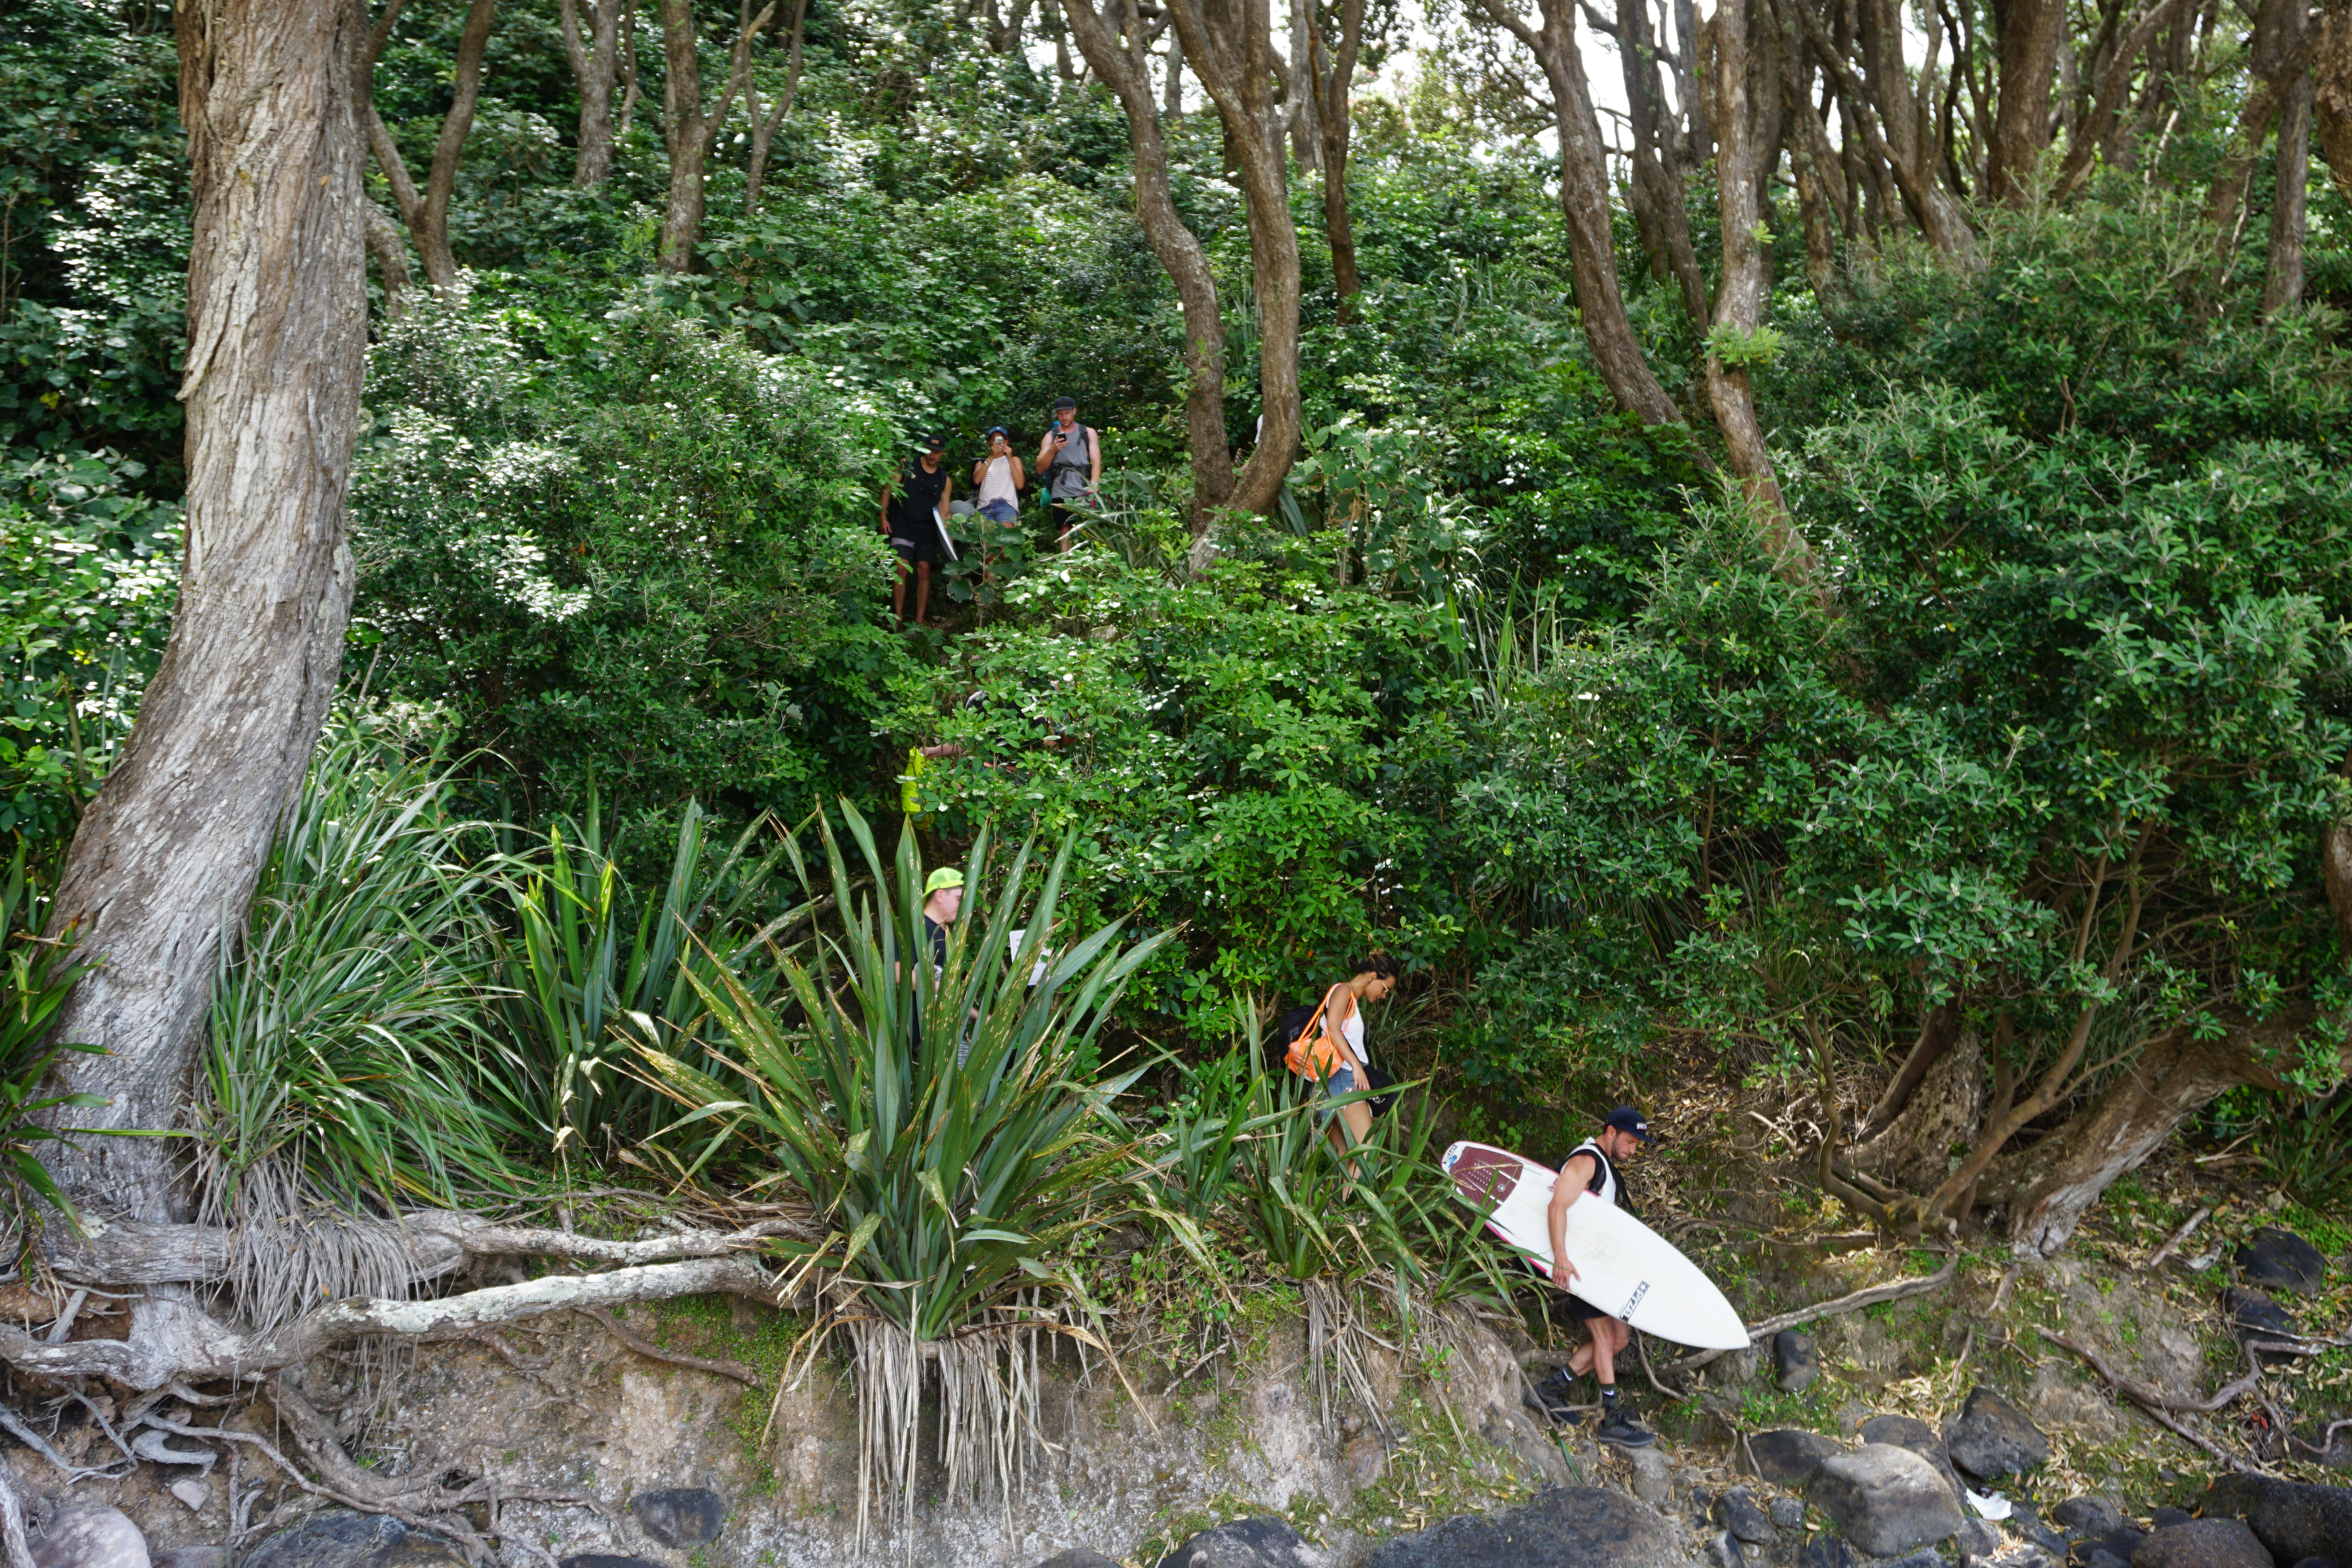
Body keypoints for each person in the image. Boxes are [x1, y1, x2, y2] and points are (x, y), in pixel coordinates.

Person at [1526, 1106, 1658, 1449]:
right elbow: (1557, 1207)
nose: (1632, 1151)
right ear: (1611, 1132)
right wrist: (1561, 1259)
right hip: (1578, 1268)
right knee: (1603, 1337)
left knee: (1619, 1340)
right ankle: (1611, 1419)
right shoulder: (1588, 1161)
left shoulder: (1605, 1167)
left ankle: (1550, 1390)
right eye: (1630, 1142)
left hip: (1598, 1270)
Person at [1282, 956, 1400, 1166]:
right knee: (1368, 1153)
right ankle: (1353, 1199)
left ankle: (1340, 1199)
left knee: (1345, 1157)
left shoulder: (1351, 1000)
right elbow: (1333, 1029)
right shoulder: (1343, 991)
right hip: (1341, 1081)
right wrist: (1356, 1066)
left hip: (1335, 1082)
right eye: (1384, 989)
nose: (1383, 996)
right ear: (1373, 977)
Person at [881, 434, 953, 628]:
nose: (933, 455)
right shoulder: (907, 466)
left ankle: (919, 622)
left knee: (924, 570)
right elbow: (888, 489)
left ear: (943, 454)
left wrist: (950, 547)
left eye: (937, 452)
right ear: (923, 449)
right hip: (902, 524)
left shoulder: (944, 479)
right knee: (901, 568)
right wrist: (883, 516)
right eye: (930, 450)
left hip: (927, 530)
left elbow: (946, 513)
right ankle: (897, 617)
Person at [1036, 397, 1101, 551]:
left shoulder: (1088, 433)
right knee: (1065, 529)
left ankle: (1090, 566)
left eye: (1067, 413)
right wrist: (1053, 449)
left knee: (1089, 529)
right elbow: (1039, 468)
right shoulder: (1050, 436)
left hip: (1084, 485)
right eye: (1060, 414)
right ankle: (1067, 565)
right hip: (1061, 486)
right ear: (1056, 415)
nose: (1064, 417)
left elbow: (1097, 462)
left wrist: (1094, 484)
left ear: (1074, 412)